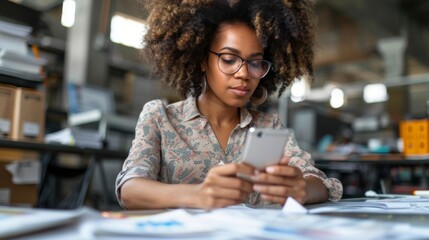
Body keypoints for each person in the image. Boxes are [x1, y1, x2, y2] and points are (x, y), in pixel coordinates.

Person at [116, 0, 343, 210]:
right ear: (203, 61)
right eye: (229, 59)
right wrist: (198, 195)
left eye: (255, 63)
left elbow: (321, 183)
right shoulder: (160, 117)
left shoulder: (268, 126)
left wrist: (301, 189)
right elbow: (129, 189)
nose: (244, 74)